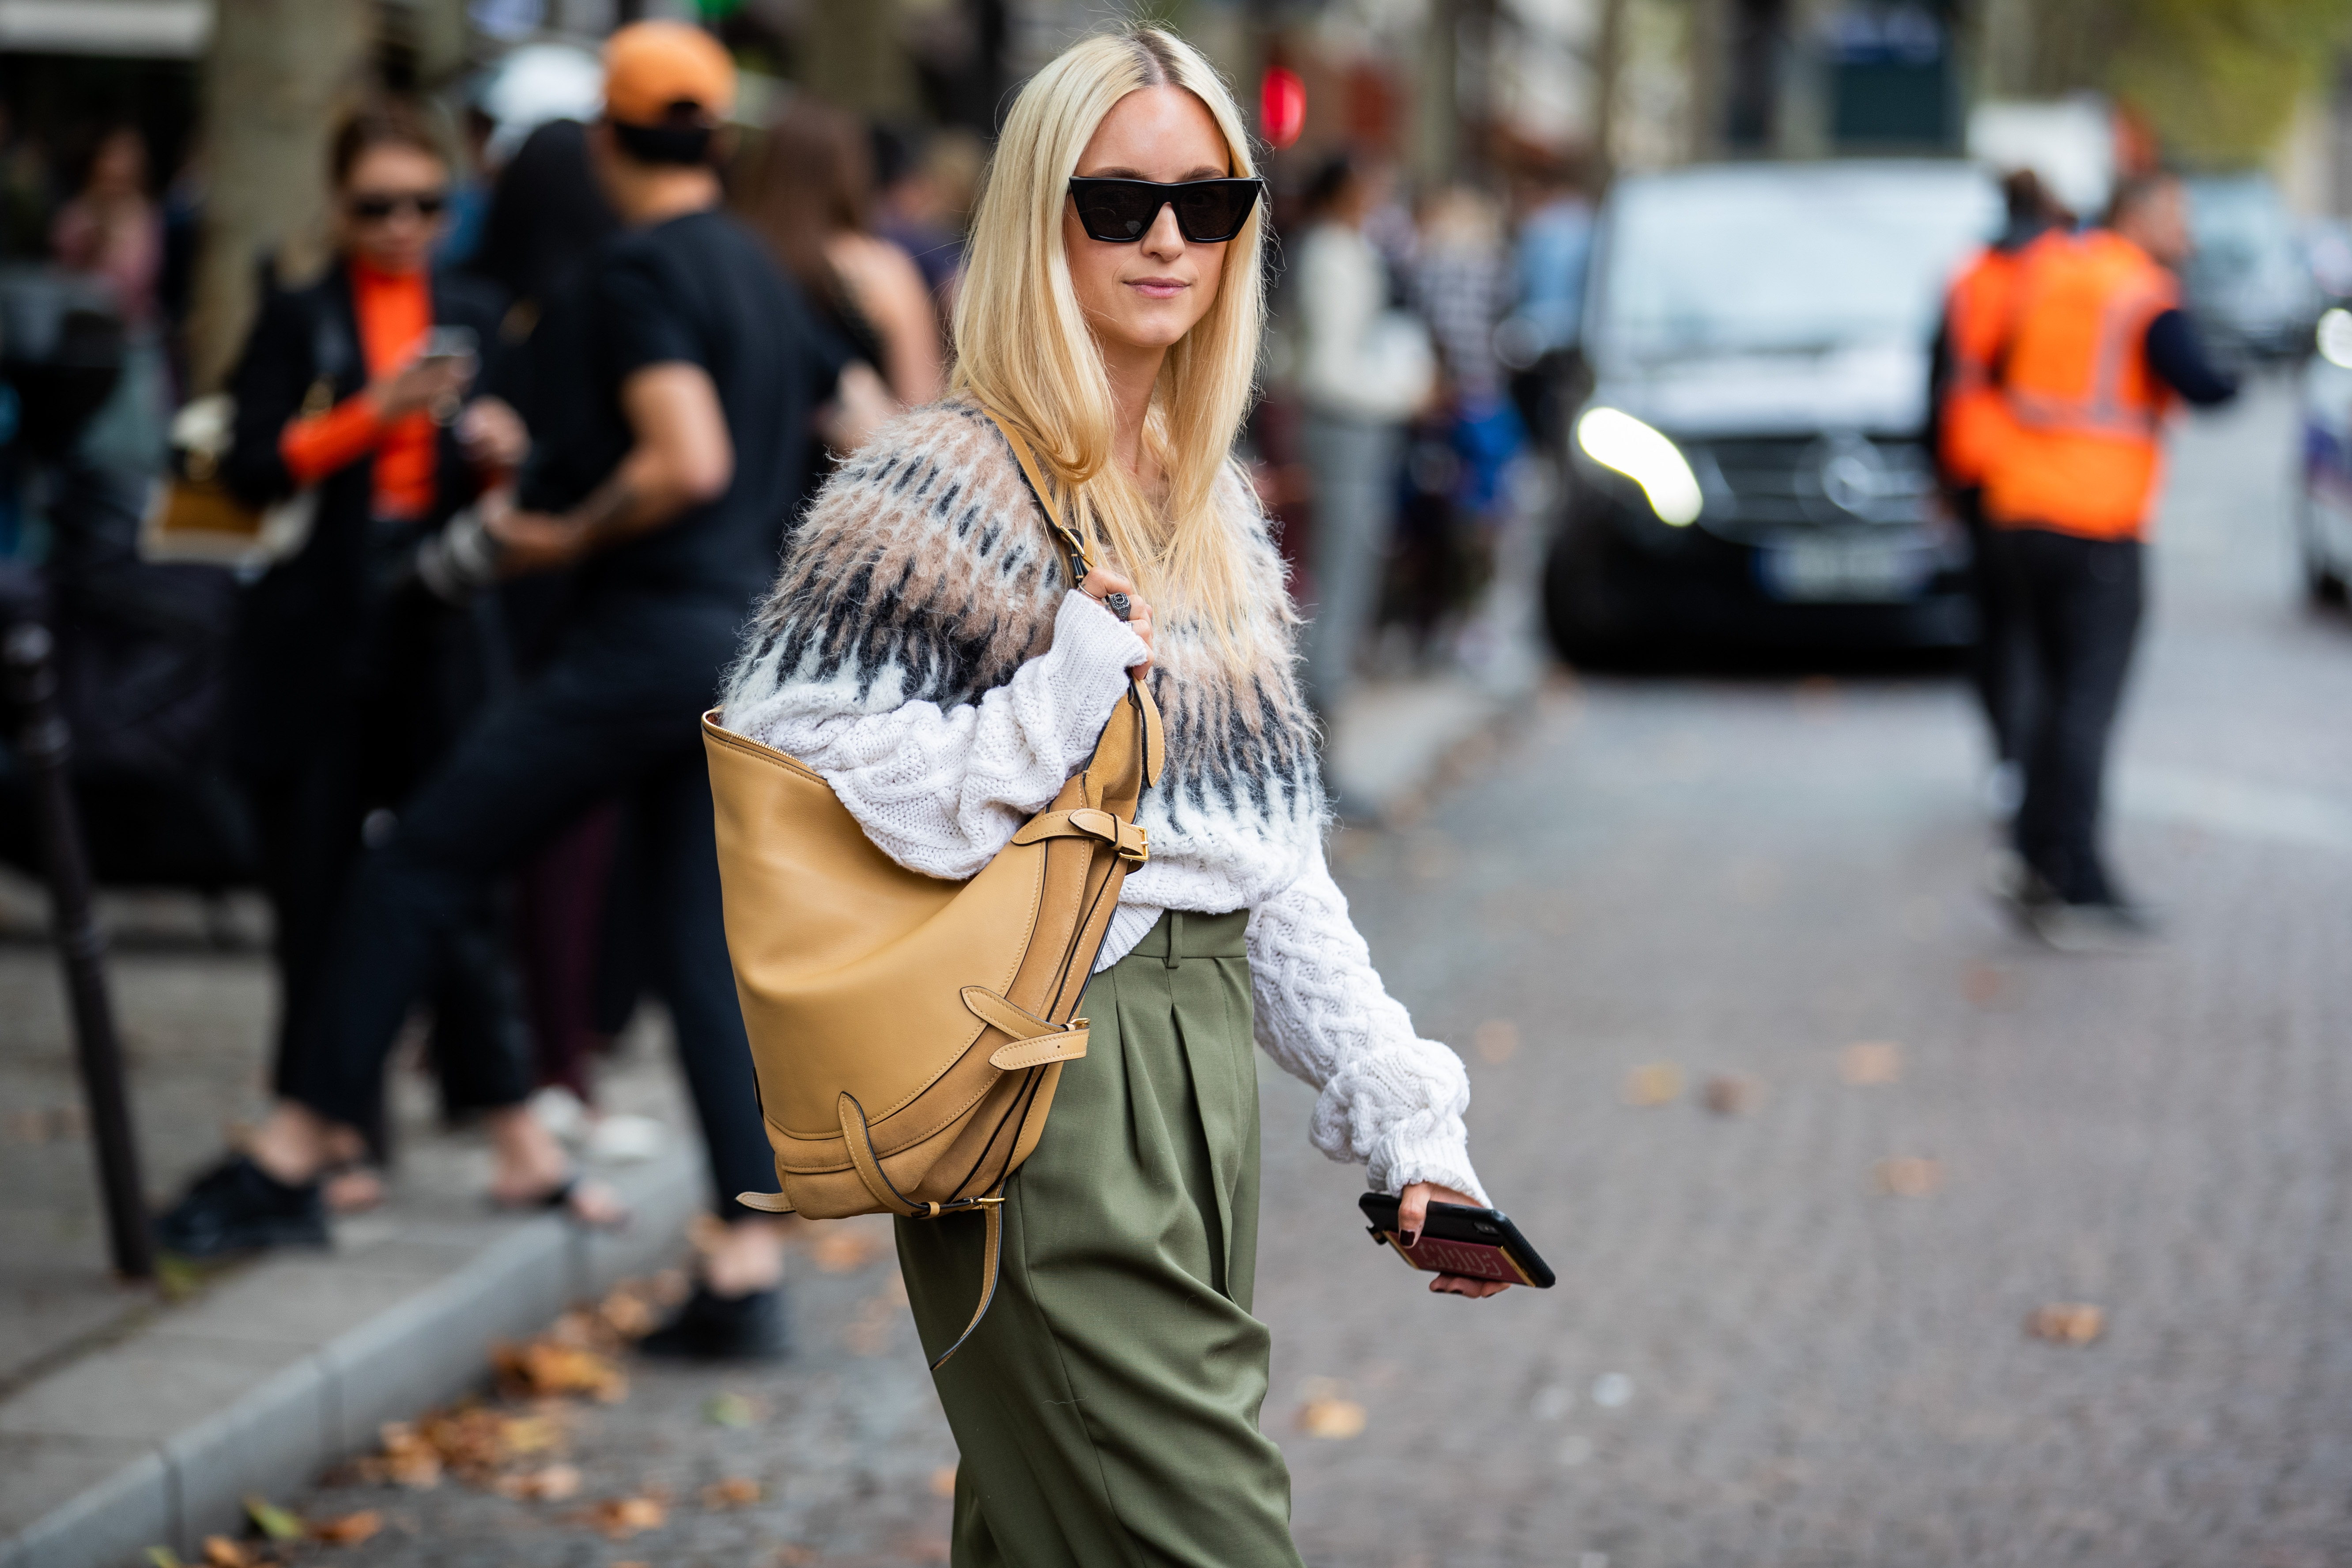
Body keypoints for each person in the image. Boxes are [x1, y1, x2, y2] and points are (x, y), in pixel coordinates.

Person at [719, 27, 1499, 1566]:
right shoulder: (934, 480)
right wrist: (1052, 705)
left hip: (1197, 1088)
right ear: (1034, 216)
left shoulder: (1201, 500)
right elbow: (802, 776)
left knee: (1053, 1536)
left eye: (1207, 205)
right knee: (1203, 1538)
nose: (1166, 238)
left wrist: (1406, 1120)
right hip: (1042, 1080)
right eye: (1119, 200)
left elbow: (1262, 865)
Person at [157, 23, 847, 1362]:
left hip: (643, 643)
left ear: (604, 137)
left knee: (415, 860)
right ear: (713, 136)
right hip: (741, 651)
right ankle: (744, 1259)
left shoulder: (639, 270)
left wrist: (557, 534)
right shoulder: (765, 278)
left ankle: (297, 1145)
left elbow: (685, 457)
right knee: (698, 954)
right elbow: (872, 422)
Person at [155, 101, 570, 1247]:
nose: (401, 228)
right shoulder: (301, 314)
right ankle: (332, 1127)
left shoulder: (478, 309)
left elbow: (530, 470)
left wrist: (496, 448)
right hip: (320, 628)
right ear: (337, 207)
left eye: (424, 205)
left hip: (442, 620)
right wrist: (367, 417)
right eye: (376, 206)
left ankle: (512, 1128)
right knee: (316, 881)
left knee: (456, 873)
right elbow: (243, 465)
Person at [1983, 170, 2238, 949]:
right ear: (2135, 216)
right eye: (2175, 218)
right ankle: (2075, 877)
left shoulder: (2048, 272)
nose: (2186, 237)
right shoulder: (2140, 290)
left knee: (2050, 694)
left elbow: (1994, 367)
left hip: (2019, 509)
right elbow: (2201, 383)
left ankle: (2032, 861)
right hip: (2096, 520)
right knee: (2085, 704)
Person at [1931, 168, 2070, 814]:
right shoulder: (2062, 274)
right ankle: (2038, 755)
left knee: (1992, 621)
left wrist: (1934, 473)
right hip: (2045, 473)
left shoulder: (1967, 276)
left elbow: (1935, 379)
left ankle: (2006, 753)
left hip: (1976, 466)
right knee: (2042, 627)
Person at [1291, 151, 1434, 723]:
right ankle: (1315, 733)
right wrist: (1404, 394)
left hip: (1354, 430)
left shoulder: (1345, 249)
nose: (1375, 196)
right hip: (1340, 430)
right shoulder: (1329, 254)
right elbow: (1328, 369)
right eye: (1365, 185)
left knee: (1345, 578)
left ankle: (1322, 733)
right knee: (1338, 581)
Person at [743, 101, 944, 412]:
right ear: (851, 169)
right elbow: (920, 402)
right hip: (853, 454)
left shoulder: (743, 258)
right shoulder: (880, 268)